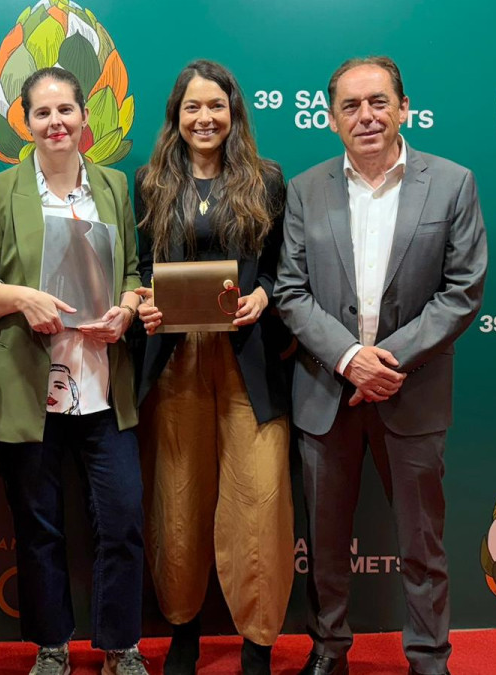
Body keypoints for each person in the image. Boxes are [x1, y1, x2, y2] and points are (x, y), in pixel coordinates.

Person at [274, 56, 487, 675]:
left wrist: (384, 362)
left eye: (377, 103)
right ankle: (329, 650)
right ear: (333, 118)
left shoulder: (452, 183)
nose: (365, 116)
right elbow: (290, 290)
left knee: (422, 545)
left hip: (411, 392)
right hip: (324, 391)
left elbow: (462, 290)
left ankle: (428, 656)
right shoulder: (306, 189)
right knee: (326, 544)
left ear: (402, 108)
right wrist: (347, 359)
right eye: (350, 106)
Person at [0, 67, 148, 675]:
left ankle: (121, 645)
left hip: (103, 385)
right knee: (39, 527)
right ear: (26, 122)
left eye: (66, 110)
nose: (56, 123)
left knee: (121, 521)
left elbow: (131, 273)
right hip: (28, 388)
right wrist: (23, 298)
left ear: (85, 118)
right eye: (42, 113)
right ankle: (51, 645)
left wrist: (126, 309)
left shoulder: (116, 186)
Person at [132, 59, 294, 675]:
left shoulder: (267, 180)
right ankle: (184, 633)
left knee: (261, 497)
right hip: (175, 363)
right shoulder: (150, 183)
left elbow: (284, 267)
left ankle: (257, 643)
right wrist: (145, 301)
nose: (205, 118)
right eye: (193, 107)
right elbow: (143, 269)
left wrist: (266, 295)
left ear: (234, 114)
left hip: (249, 363)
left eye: (216, 106)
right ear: (176, 115)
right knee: (178, 498)